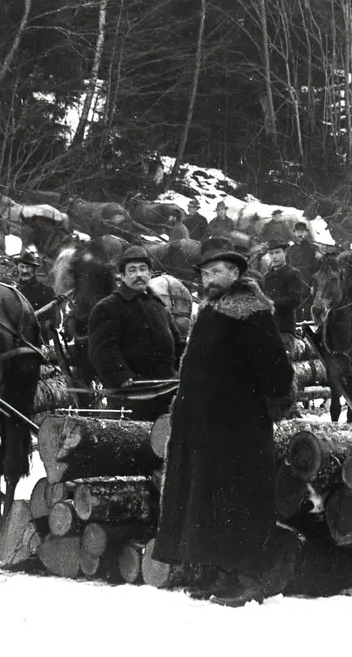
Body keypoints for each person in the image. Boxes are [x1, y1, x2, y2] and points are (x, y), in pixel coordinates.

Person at [154, 237, 295, 606]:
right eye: (205, 273)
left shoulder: (252, 312)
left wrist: (256, 409)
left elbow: (278, 373)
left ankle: (251, 578)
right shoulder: (213, 309)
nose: (209, 279)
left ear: (235, 273)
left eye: (217, 272)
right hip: (203, 426)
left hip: (239, 428)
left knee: (242, 499)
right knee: (209, 497)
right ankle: (220, 572)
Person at [88, 245, 182, 421]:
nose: (138, 274)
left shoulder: (159, 307)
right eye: (132, 270)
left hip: (166, 391)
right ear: (122, 277)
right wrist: (121, 375)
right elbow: (102, 349)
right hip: (132, 393)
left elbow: (178, 343)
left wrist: (183, 370)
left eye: (143, 269)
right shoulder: (108, 307)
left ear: (150, 274)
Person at [260, 242, 307, 341]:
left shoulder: (293, 273)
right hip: (266, 329)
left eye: (277, 252)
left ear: (285, 253)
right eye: (271, 253)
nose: (274, 257)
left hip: (284, 329)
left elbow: (295, 300)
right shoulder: (266, 276)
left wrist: (272, 302)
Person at [14, 248, 57, 319]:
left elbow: (48, 322)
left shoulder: (47, 291)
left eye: (28, 267)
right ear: (17, 268)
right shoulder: (14, 291)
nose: (25, 271)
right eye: (22, 267)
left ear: (34, 269)